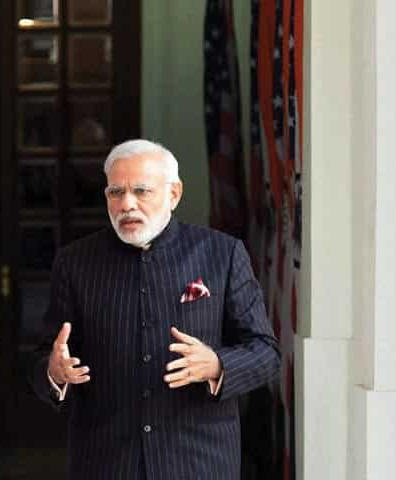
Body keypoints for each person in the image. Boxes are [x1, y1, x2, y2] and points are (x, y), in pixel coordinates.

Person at [27, 139, 280, 479]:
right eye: (116, 193)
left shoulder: (222, 254)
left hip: (198, 462)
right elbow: (44, 356)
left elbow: (267, 353)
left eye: (141, 191)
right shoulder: (75, 263)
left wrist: (218, 365)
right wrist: (54, 373)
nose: (127, 204)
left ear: (174, 194)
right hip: (105, 463)